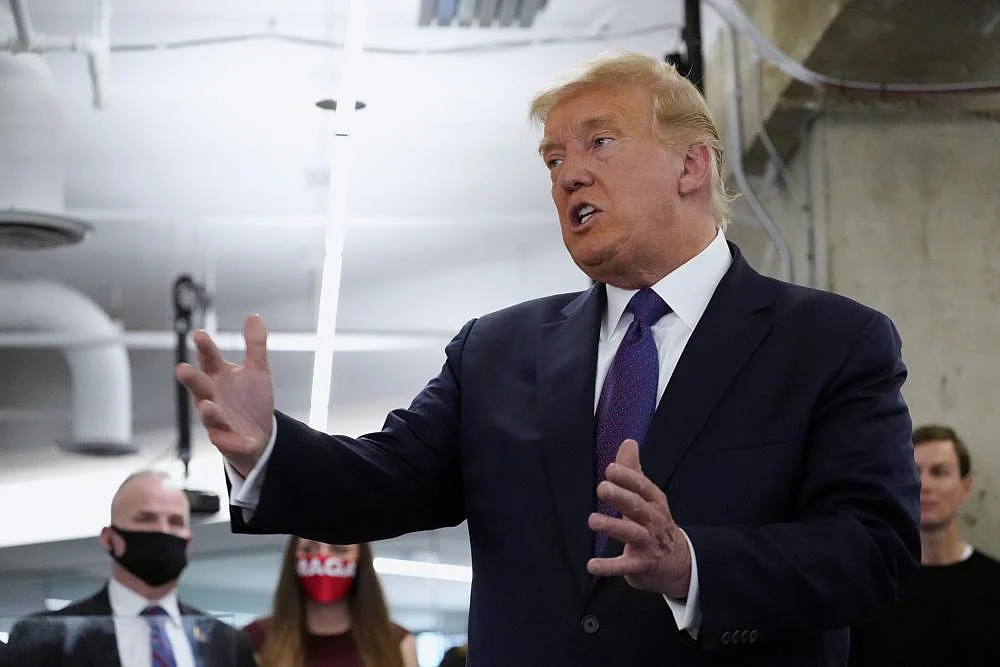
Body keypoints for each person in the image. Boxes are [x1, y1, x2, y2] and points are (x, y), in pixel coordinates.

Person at [176, 50, 920, 666]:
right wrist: (266, 449)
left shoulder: (830, 344)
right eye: (553, 158)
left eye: (599, 142)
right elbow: (387, 479)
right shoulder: (495, 351)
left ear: (692, 164)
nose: (567, 175)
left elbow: (874, 551)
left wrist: (693, 562)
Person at [5, 470, 256, 667]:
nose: (163, 531)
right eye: (145, 519)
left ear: (188, 540)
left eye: (175, 521)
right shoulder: (47, 636)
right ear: (109, 538)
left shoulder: (227, 642)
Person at [849, 425, 1000, 666]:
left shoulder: (994, 584)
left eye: (939, 472)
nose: (924, 485)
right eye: (913, 471)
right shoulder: (871, 588)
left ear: (965, 487)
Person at [243, 538, 417, 667]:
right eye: (310, 548)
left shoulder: (397, 642)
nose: (324, 557)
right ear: (293, 559)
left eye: (339, 549)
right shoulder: (257, 638)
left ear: (360, 560)